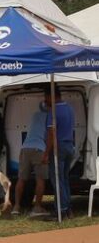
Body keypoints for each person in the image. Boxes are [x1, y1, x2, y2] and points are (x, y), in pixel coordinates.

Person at [13, 100, 49, 217]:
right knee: (40, 179)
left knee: (21, 179)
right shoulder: (51, 117)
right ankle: (37, 207)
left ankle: (16, 207)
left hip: (25, 148)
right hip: (39, 149)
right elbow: (50, 136)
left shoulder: (35, 115)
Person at [45, 85, 76, 219]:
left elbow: (52, 134)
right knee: (64, 179)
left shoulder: (53, 111)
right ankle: (68, 209)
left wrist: (46, 153)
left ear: (51, 95)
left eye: (45, 97)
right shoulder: (69, 108)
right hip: (70, 146)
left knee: (57, 180)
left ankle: (60, 210)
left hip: (59, 148)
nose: (45, 100)